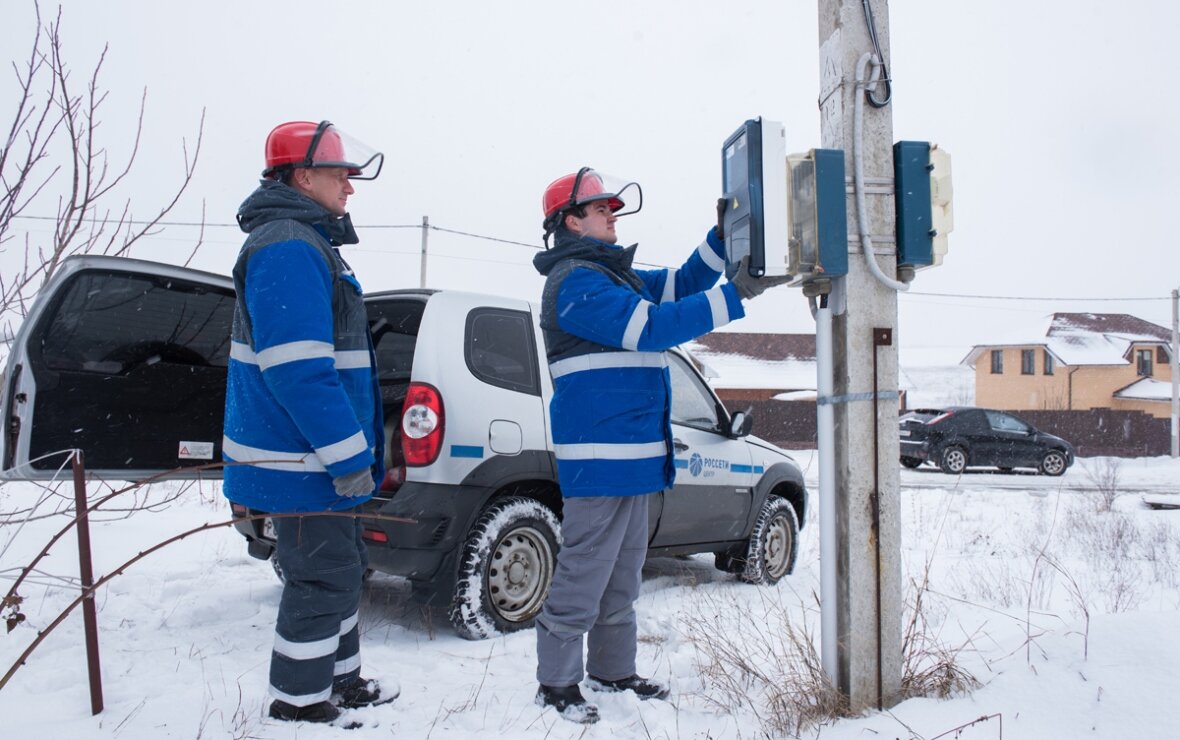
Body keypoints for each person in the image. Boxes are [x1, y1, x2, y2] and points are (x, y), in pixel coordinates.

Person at [531, 167, 788, 724]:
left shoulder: (615, 278)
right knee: (584, 574)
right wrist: (737, 294)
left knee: (622, 576)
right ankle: (556, 683)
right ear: (571, 221)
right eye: (602, 209)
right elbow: (653, 327)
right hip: (599, 463)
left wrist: (721, 239)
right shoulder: (575, 282)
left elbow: (683, 282)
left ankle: (613, 671)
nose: (613, 216)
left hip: (632, 462)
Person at [222, 120, 395, 725]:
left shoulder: (307, 243)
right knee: (321, 579)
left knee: (339, 571)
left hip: (310, 459)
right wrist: (348, 457)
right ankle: (298, 702)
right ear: (302, 177)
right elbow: (299, 370)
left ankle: (341, 681)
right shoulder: (289, 245)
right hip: (302, 461)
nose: (349, 186)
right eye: (339, 174)